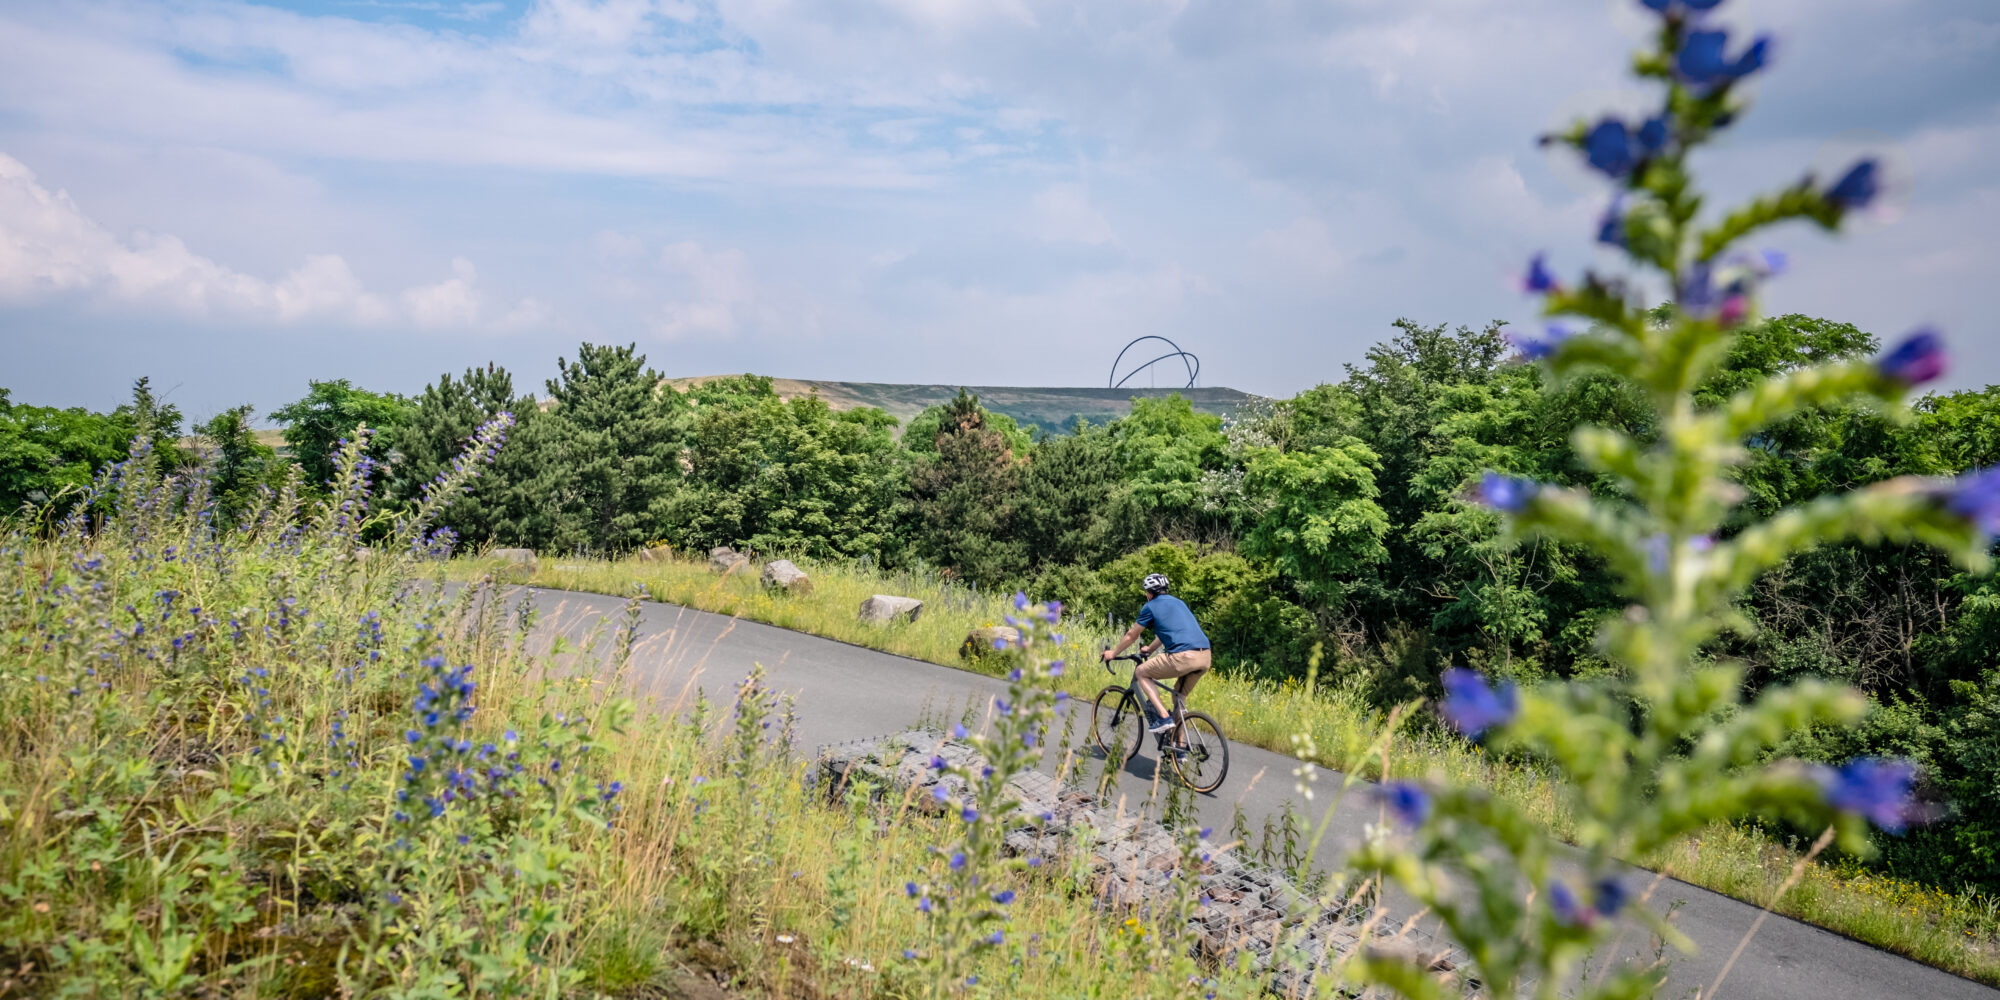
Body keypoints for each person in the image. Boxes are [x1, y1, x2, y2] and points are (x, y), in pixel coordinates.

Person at [1100, 572, 1211, 735]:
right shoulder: (1179, 603)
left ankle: (1164, 717)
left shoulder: (1150, 606)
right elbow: (1167, 632)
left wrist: (1113, 653)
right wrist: (1150, 649)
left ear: (1149, 593)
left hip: (1183, 657)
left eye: (1146, 592)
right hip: (1205, 657)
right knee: (1178, 699)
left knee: (1141, 672)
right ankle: (1180, 752)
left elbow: (1132, 635)